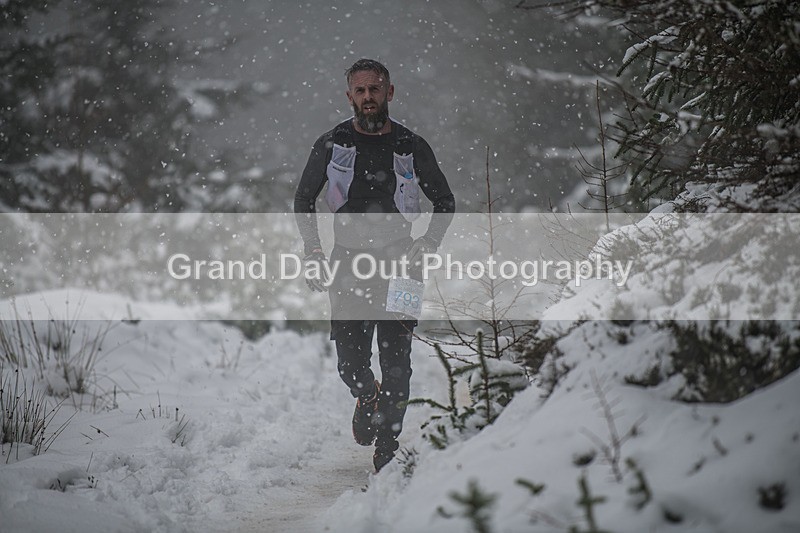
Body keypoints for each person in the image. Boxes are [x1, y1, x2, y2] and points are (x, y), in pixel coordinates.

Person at [294, 58, 455, 472]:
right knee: (350, 364)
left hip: (404, 266)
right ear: (350, 96)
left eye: (375, 89)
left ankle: (388, 448)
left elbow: (445, 201)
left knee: (397, 362)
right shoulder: (332, 143)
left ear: (390, 92)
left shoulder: (410, 145)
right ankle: (367, 394)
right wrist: (313, 251)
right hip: (347, 263)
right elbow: (303, 199)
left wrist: (428, 243)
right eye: (361, 90)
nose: (368, 97)